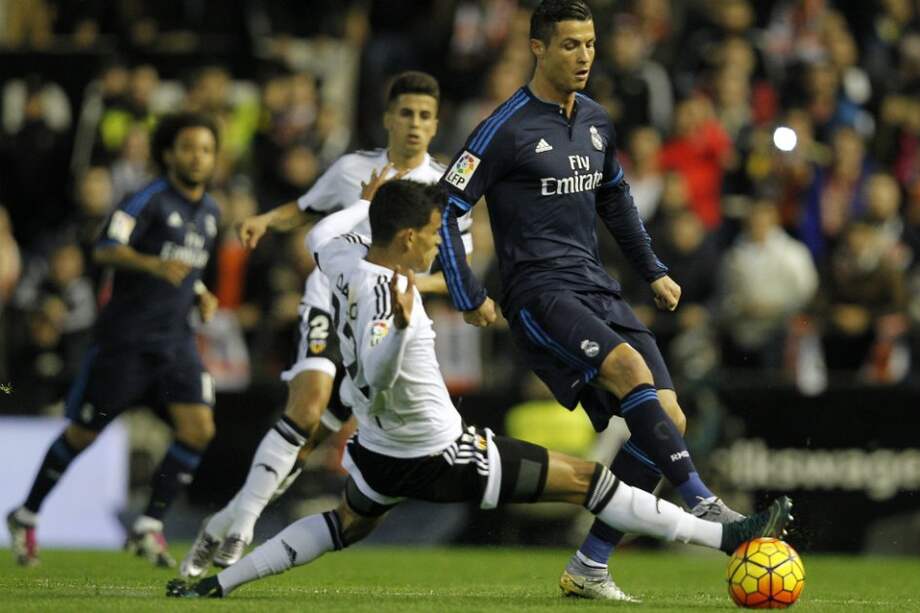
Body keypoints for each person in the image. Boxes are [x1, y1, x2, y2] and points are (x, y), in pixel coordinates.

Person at [166, 179, 793, 600]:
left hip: (379, 454)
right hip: (440, 451)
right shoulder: (398, 297)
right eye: (435, 232)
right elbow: (384, 369)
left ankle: (218, 587)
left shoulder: (343, 268)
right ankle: (727, 537)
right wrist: (400, 335)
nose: (441, 242)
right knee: (589, 483)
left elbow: (319, 236)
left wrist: (372, 202)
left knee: (344, 525)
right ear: (409, 238)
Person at [436, 0, 742, 600]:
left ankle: (590, 563)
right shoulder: (505, 126)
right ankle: (703, 504)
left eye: (591, 44)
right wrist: (467, 292)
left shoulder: (598, 120)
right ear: (538, 48)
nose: (584, 56)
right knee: (631, 373)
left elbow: (617, 200)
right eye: (571, 45)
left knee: (669, 422)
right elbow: (447, 208)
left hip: (598, 286)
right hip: (538, 291)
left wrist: (652, 270)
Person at [180, 71, 472, 578]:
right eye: (406, 113)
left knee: (313, 440)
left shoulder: (445, 188)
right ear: (388, 118)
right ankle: (245, 524)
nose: (414, 124)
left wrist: (407, 286)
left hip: (384, 317)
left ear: (436, 124)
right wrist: (266, 221)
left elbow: (458, 271)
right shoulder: (353, 169)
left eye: (425, 116)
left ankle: (224, 519)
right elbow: (305, 209)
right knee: (307, 407)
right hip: (329, 298)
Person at [6, 112, 221, 568]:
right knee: (83, 434)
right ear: (169, 153)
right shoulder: (148, 200)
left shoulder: (212, 213)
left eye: (206, 149)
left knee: (199, 428)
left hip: (175, 344)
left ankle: (148, 526)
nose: (198, 157)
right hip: (125, 343)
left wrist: (201, 294)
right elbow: (104, 247)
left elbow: (189, 271)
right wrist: (150, 264)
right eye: (188, 147)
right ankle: (26, 514)